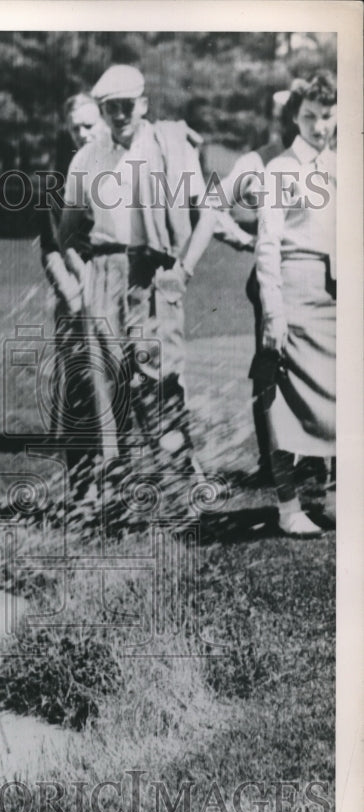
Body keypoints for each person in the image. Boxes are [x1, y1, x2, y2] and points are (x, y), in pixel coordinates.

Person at [60, 65, 215, 504]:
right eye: (111, 109)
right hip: (106, 274)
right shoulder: (88, 157)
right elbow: (68, 233)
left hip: (154, 274)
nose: (119, 115)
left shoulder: (168, 147)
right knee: (112, 387)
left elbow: (207, 215)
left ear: (143, 104)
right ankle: (124, 494)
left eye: (126, 106)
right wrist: (86, 277)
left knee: (158, 381)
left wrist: (183, 271)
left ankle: (185, 483)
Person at [255, 72, 337, 537]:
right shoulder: (280, 170)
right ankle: (287, 506)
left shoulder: (345, 166)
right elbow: (266, 245)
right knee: (282, 396)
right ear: (294, 117)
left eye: (327, 116)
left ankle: (334, 497)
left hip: (337, 292)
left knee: (345, 394)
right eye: (309, 116)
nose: (319, 126)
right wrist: (273, 311)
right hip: (294, 287)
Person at [210, 88, 299, 482]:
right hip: (271, 279)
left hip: (321, 281)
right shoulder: (257, 160)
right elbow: (211, 207)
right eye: (286, 114)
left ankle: (318, 460)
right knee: (269, 366)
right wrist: (246, 240)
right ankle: (273, 460)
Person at [39, 94, 110, 493]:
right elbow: (50, 250)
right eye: (76, 127)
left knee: (123, 385)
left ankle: (119, 485)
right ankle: (83, 488)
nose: (83, 134)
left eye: (89, 125)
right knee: (82, 389)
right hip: (75, 296)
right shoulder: (56, 181)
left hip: (116, 293)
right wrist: (77, 298)